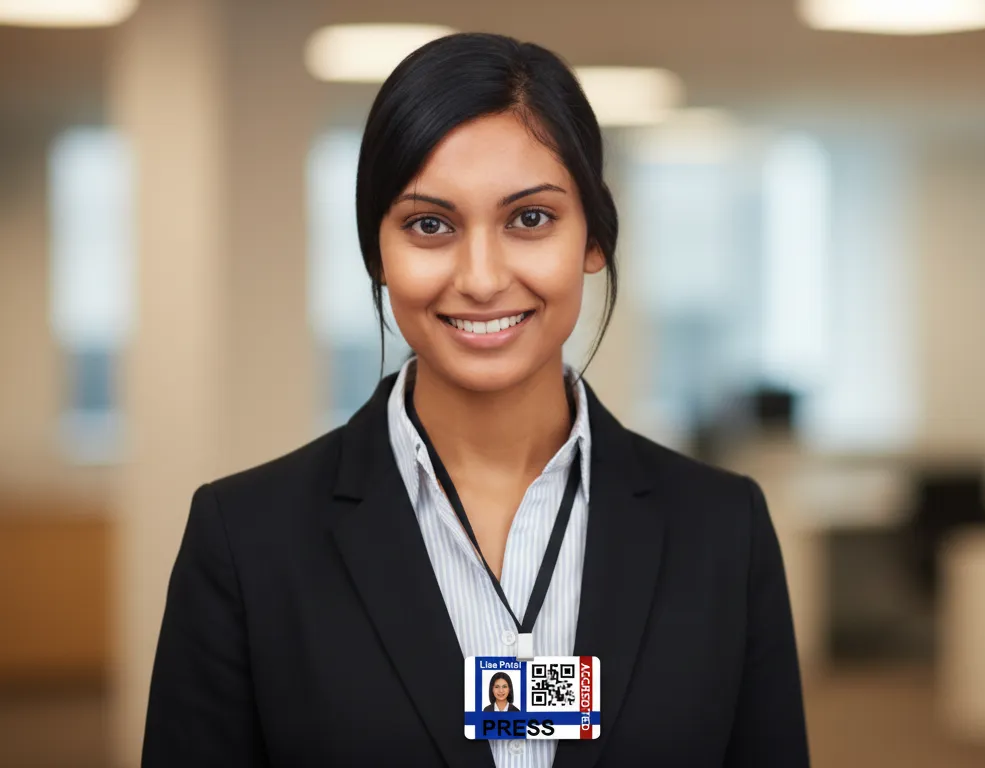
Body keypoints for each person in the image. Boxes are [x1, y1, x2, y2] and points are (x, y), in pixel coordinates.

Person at [141, 32, 808, 768]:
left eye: (530, 219)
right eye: (431, 225)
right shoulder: (246, 541)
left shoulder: (722, 531)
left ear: (595, 237)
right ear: (377, 253)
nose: (483, 278)